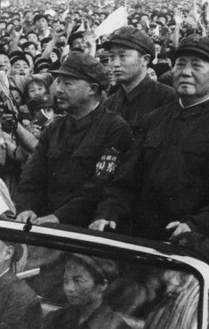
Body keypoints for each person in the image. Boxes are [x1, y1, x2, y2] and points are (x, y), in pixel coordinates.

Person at [93, 37, 209, 247]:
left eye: (196, 66)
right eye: (180, 64)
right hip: (141, 237)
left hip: (193, 245)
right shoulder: (153, 119)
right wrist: (108, 212)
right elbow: (126, 179)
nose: (185, 72)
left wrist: (195, 226)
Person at [15, 52, 133, 227]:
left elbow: (99, 187)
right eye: (59, 82)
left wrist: (58, 217)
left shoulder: (115, 128)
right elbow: (31, 177)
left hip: (84, 229)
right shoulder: (54, 128)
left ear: (92, 89)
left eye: (68, 84)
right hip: (44, 226)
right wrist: (26, 207)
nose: (59, 89)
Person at [102, 26, 176, 137]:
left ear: (145, 60)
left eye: (123, 56)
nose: (115, 63)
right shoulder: (109, 104)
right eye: (111, 57)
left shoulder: (167, 99)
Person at [43, 254, 130, 329]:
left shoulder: (117, 327)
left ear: (102, 285)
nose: (69, 288)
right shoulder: (56, 318)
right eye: (66, 280)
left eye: (78, 281)